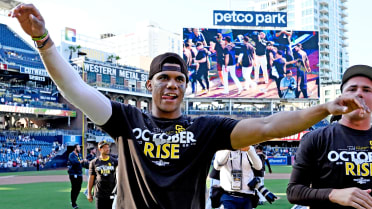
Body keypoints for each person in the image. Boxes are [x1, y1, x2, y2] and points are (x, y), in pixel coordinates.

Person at [10, 4, 370, 209]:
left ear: (186, 86)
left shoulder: (205, 128)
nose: (172, 85)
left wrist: (326, 108)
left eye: (180, 79)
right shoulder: (125, 119)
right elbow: (73, 88)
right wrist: (43, 40)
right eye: (164, 78)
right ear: (149, 85)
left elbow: (268, 127)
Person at [287, 65, 372, 209]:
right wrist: (333, 195)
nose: (359, 94)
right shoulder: (315, 138)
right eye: (352, 89)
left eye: (367, 90)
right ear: (341, 98)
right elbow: (293, 191)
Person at [87, 140, 118, 209]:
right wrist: (89, 193)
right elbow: (91, 178)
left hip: (111, 193)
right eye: (105, 147)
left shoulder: (114, 161)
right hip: (99, 194)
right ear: (100, 149)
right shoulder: (94, 162)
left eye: (108, 147)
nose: (108, 149)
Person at [67, 144, 87, 209]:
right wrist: (82, 161)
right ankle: (73, 203)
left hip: (79, 173)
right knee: (74, 188)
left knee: (79, 188)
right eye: (78, 147)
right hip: (73, 173)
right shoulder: (71, 155)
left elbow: (82, 164)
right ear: (75, 148)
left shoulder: (80, 155)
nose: (80, 148)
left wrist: (87, 163)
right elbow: (75, 162)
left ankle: (73, 200)